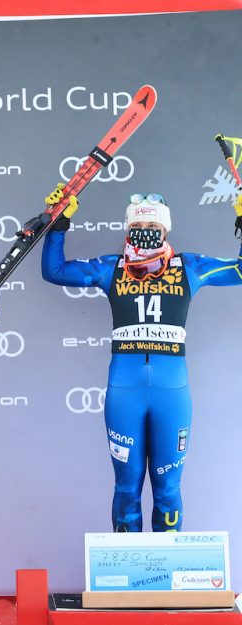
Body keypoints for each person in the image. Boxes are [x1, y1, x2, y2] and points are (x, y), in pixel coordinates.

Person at [42, 192, 242, 532]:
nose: (144, 231)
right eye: (137, 225)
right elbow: (54, 270)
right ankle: (127, 580)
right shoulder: (112, 268)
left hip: (171, 395)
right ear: (127, 229)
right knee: (126, 488)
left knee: (167, 490)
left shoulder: (188, 267)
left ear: (165, 228)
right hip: (125, 394)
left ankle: (165, 580)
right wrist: (58, 223)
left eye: (152, 225)